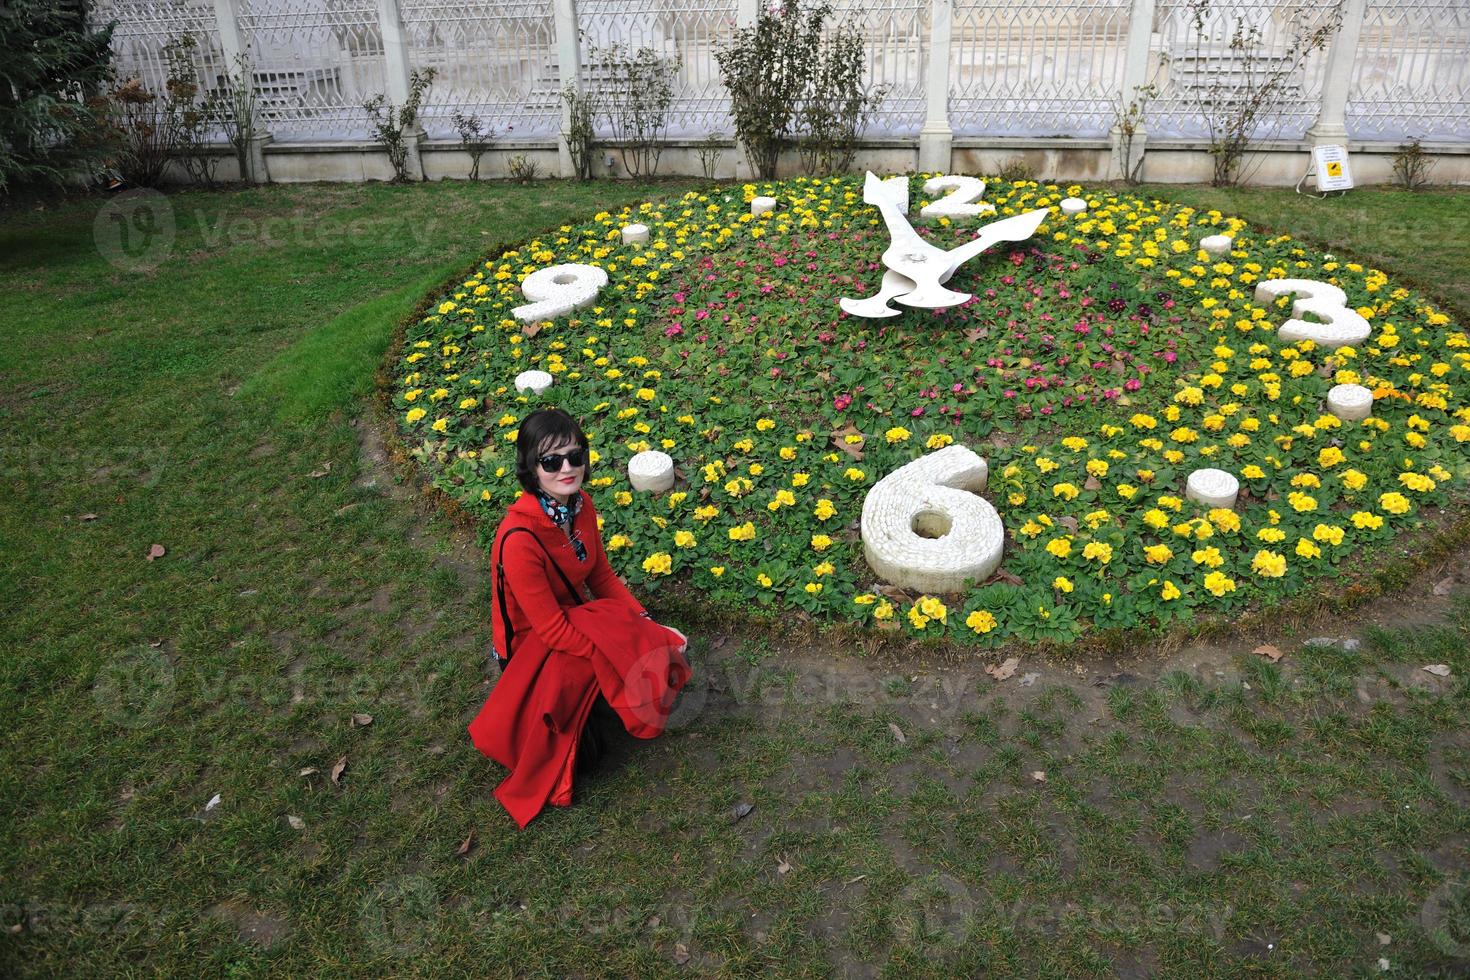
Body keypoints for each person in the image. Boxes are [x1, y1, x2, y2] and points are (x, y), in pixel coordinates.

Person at [486, 407, 686, 779]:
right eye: (551, 461)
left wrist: (646, 624)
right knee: (583, 763)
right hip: (531, 645)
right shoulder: (518, 540)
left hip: (572, 616)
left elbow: (600, 576)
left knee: (629, 634)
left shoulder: (580, 506)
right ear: (531, 469)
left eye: (574, 456)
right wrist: (628, 650)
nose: (567, 468)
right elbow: (550, 631)